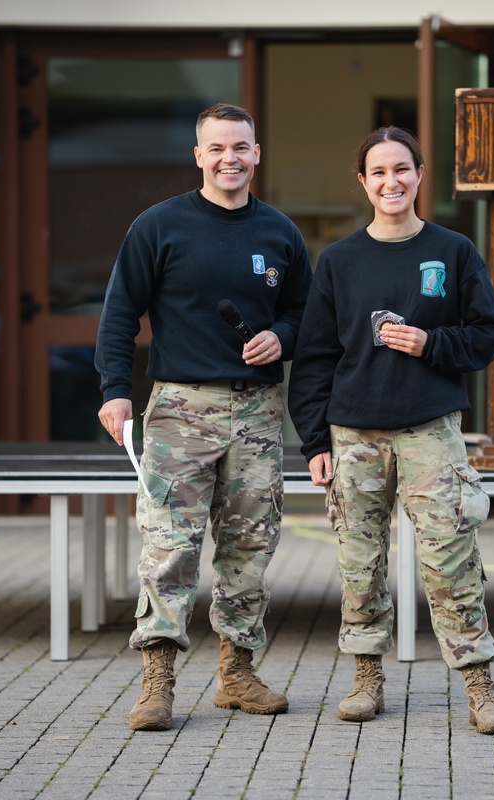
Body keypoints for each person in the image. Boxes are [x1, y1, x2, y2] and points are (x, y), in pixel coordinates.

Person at [287, 126, 494, 735]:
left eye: (402, 169)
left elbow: (490, 331)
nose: (392, 182)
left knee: (451, 558)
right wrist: (313, 442)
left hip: (430, 431)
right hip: (353, 435)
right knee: (359, 562)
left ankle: (479, 684)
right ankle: (367, 678)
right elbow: (312, 358)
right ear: (363, 183)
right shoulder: (338, 260)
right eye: (379, 172)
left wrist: (431, 342)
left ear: (420, 175)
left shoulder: (454, 250)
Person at [95, 102, 312, 732]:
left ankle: (237, 675)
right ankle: (157, 681)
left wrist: (282, 337)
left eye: (241, 147)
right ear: (199, 155)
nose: (230, 159)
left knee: (249, 547)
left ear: (256, 153)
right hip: (178, 410)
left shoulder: (280, 233)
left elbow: (306, 314)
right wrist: (115, 390)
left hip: (258, 411)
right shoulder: (158, 226)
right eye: (217, 148)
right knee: (170, 547)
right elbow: (118, 315)